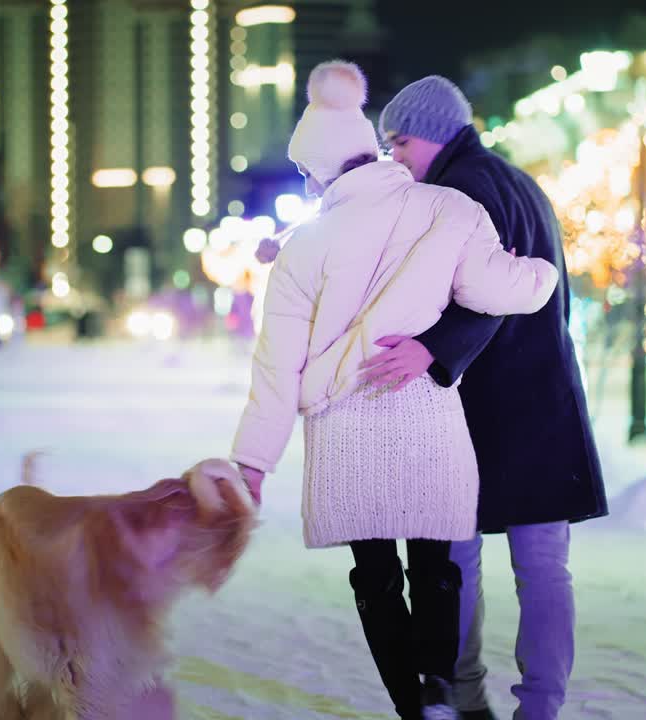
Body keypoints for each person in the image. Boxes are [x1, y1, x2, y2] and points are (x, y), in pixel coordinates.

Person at [230, 61, 560, 720]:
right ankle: (440, 690)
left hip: (344, 430)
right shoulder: (447, 208)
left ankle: (414, 710)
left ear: (318, 168)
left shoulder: (304, 247)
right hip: (427, 419)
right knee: (437, 567)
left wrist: (253, 461)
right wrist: (544, 271)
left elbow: (277, 365)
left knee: (374, 579)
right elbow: (500, 289)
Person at [364, 76, 609, 720]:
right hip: (545, 400)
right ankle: (541, 708)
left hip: (484, 408)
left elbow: (488, 286)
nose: (396, 157)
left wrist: (434, 348)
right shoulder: (520, 180)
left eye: (402, 142)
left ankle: (465, 697)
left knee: (456, 560)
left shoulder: (459, 187)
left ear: (437, 135)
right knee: (544, 568)